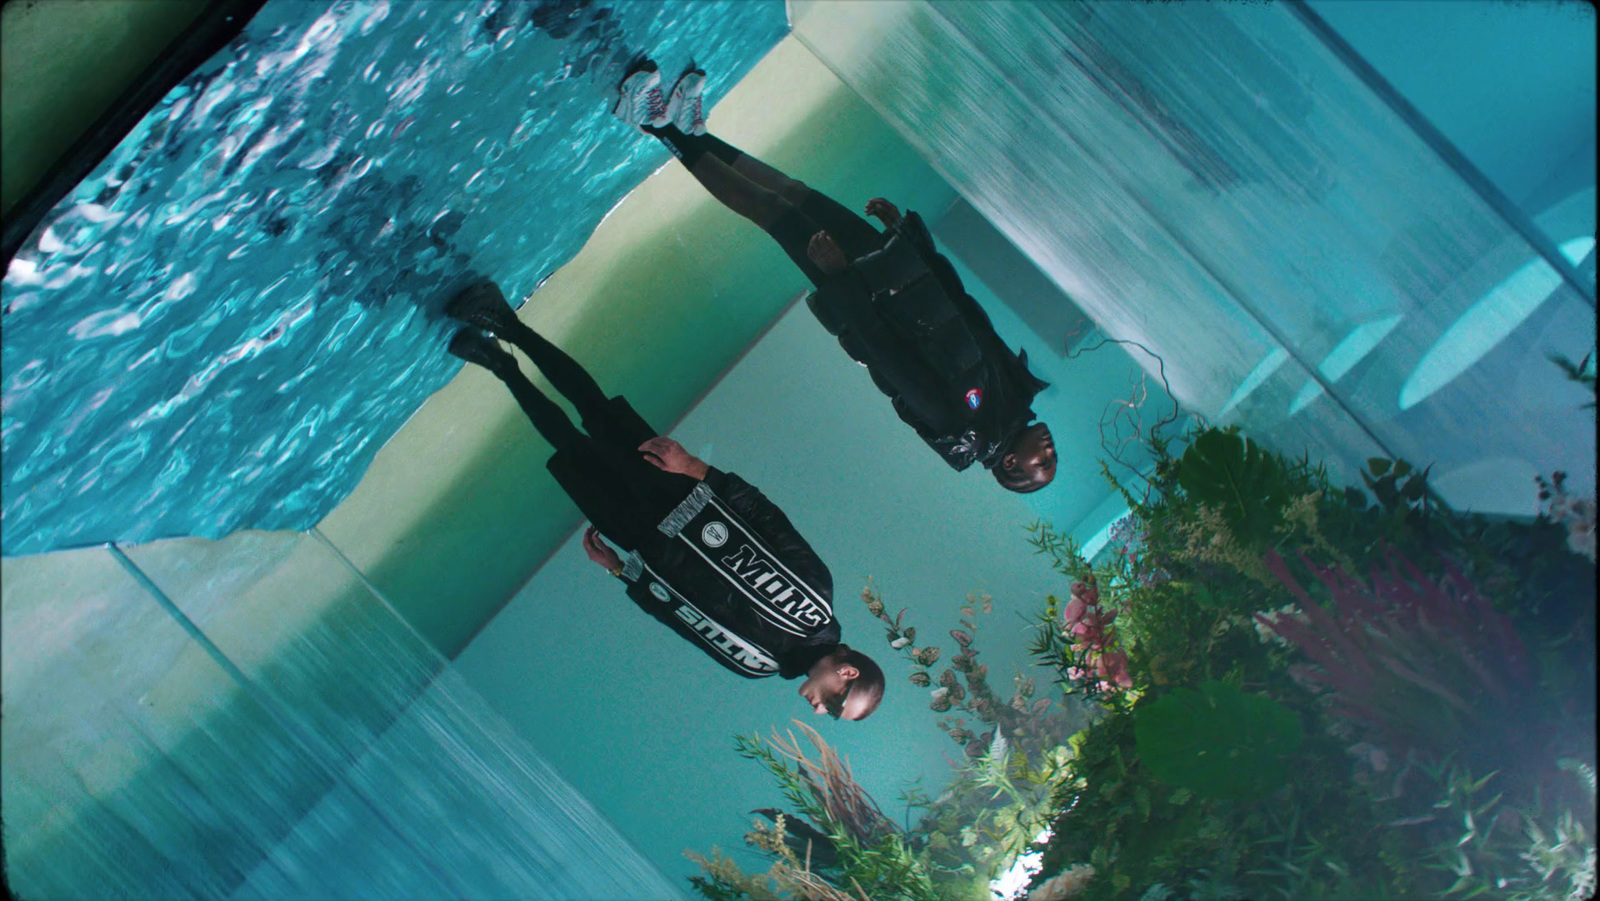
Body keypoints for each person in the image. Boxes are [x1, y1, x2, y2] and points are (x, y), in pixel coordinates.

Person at [443, 280, 884, 720]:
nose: (820, 710)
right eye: (834, 703)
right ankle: (506, 322)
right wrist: (692, 465)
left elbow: (678, 620)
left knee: (567, 445)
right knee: (593, 408)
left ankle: (500, 365)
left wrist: (619, 570)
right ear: (845, 672)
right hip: (679, 492)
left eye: (829, 712)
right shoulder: (816, 594)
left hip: (638, 537)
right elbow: (764, 514)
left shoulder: (754, 666)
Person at [611, 61, 1058, 493]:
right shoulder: (1012, 392)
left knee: (772, 212)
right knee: (795, 193)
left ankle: (656, 126)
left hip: (857, 287)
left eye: (1043, 465)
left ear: (1012, 464)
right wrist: (909, 239)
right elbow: (963, 306)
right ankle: (695, 135)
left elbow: (889, 358)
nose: (1050, 452)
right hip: (896, 265)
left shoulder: (964, 429)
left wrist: (840, 277)